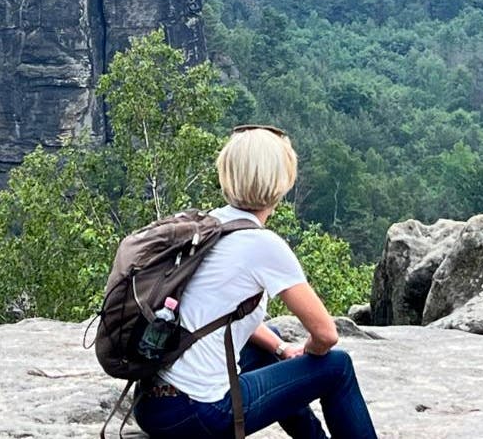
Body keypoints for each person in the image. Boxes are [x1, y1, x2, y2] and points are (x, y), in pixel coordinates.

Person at [133, 125, 378, 439]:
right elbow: (325, 335)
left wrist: (281, 349)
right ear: (281, 181)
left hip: (151, 406)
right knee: (337, 368)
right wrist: (309, 352)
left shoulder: (206, 225)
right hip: (197, 414)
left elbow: (215, 315)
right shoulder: (263, 245)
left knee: (268, 340)